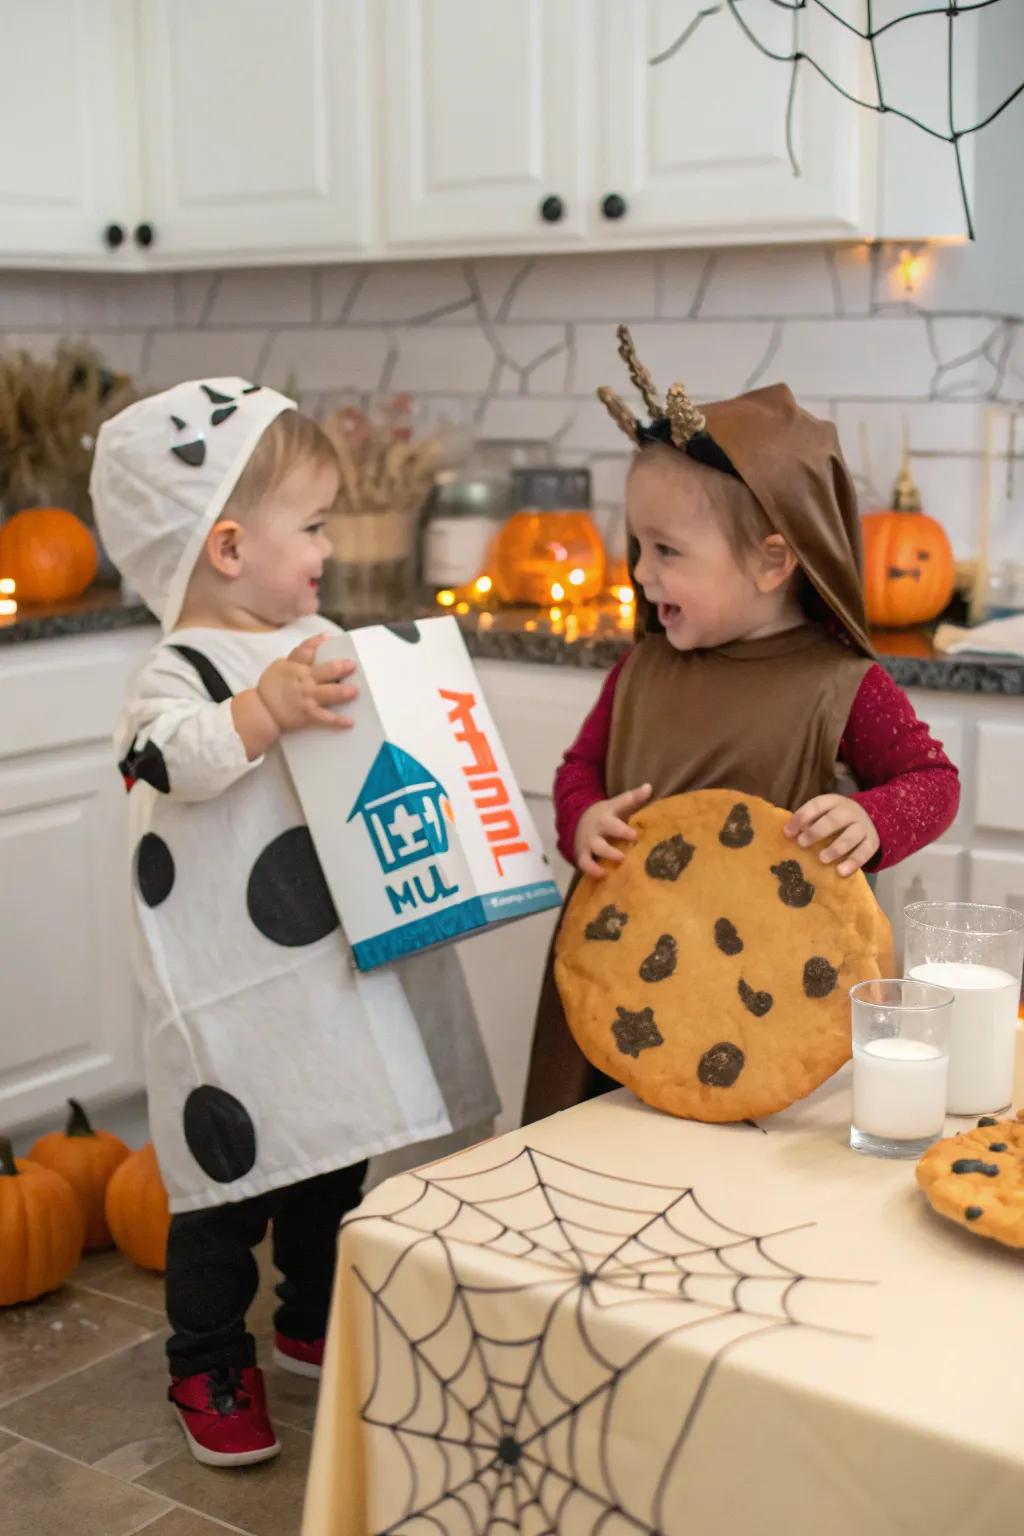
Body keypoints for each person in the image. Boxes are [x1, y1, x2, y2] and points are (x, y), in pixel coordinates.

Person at [92, 380, 497, 1467]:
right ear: (228, 545)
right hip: (233, 986)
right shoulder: (171, 671)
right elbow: (164, 758)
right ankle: (206, 1354)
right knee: (229, 1190)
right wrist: (262, 710)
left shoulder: (317, 633)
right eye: (312, 525)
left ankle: (312, 1315)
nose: (328, 544)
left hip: (327, 969)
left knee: (335, 1149)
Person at [522, 326, 959, 1124]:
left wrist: (871, 817)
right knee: (595, 1148)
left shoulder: (842, 686)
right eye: (638, 547)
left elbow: (934, 784)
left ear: (771, 560)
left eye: (668, 551)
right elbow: (579, 767)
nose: (643, 572)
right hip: (622, 970)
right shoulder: (642, 669)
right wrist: (581, 817)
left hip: (775, 1002)